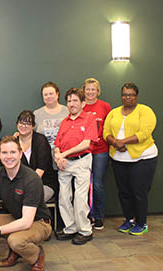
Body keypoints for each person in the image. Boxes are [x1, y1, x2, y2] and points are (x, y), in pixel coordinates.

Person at [0, 136, 52, 271]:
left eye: (13, 152)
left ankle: (37, 255)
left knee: (15, 240)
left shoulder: (31, 179)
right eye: (4, 153)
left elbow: (26, 222)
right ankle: (14, 252)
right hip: (16, 217)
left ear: (20, 154)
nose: (9, 157)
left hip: (39, 222)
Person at [103, 82, 158, 236]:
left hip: (143, 157)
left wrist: (123, 142)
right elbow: (106, 131)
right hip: (119, 158)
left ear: (136, 96)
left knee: (138, 192)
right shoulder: (114, 112)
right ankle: (129, 219)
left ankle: (141, 223)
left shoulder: (145, 111)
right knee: (124, 192)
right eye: (125, 94)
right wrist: (115, 143)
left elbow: (145, 132)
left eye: (131, 95)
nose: (128, 97)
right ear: (121, 96)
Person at [54, 88, 98, 245]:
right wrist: (58, 157)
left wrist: (63, 154)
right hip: (65, 164)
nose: (71, 104)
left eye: (75, 101)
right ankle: (70, 228)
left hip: (82, 161)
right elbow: (57, 144)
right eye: (69, 101)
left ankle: (85, 231)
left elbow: (86, 143)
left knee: (80, 198)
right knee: (64, 198)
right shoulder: (65, 122)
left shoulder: (89, 119)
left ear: (83, 103)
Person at [82, 78, 111, 230]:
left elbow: (109, 127)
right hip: (84, 151)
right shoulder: (80, 106)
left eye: (93, 89)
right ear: (84, 90)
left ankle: (98, 216)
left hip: (101, 151)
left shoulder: (105, 106)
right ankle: (85, 215)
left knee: (98, 184)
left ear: (97, 91)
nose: (90, 92)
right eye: (88, 89)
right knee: (83, 185)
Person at [15, 110, 57, 202]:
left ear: (33, 126)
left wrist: (24, 188)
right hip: (20, 185)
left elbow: (40, 170)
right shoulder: (14, 142)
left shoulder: (41, 140)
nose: (23, 126)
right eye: (21, 123)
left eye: (27, 123)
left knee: (30, 199)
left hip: (44, 183)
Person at [34, 81, 69, 161]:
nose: (48, 97)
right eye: (45, 95)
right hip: (44, 158)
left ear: (57, 94)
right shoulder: (37, 114)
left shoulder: (68, 111)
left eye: (51, 93)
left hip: (65, 158)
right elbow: (30, 134)